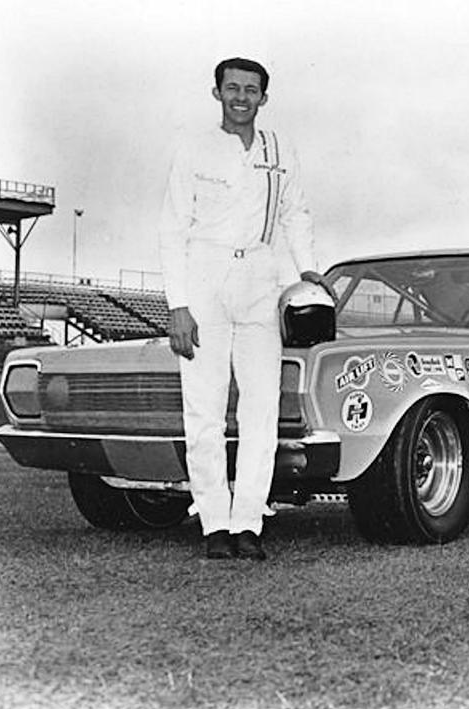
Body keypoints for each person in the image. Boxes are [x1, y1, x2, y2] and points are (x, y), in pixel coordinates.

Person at [159, 57, 324, 560]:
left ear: (263, 99)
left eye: (251, 90)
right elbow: (172, 228)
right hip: (205, 279)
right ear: (217, 94)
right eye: (232, 88)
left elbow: (296, 213)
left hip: (262, 279)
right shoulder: (194, 146)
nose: (241, 98)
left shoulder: (280, 149)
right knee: (204, 411)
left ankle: (248, 521)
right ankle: (213, 522)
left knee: (261, 411)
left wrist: (308, 269)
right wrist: (178, 305)